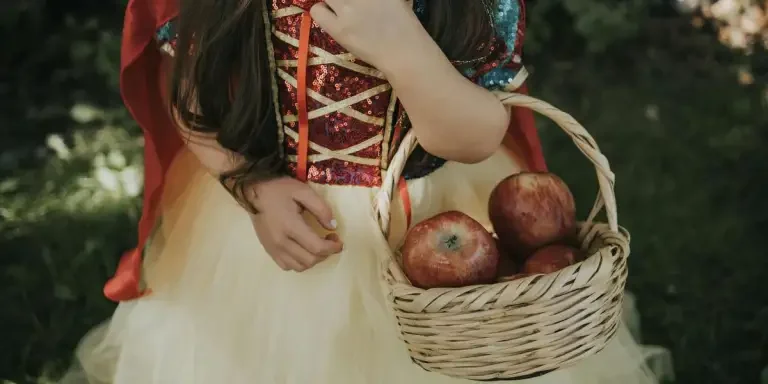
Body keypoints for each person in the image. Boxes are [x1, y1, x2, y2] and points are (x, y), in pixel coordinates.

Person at [63, 0, 670, 383]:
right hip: (286, 230)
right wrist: (251, 183)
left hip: (435, 205)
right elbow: (193, 99)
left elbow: (478, 134)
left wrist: (396, 39)